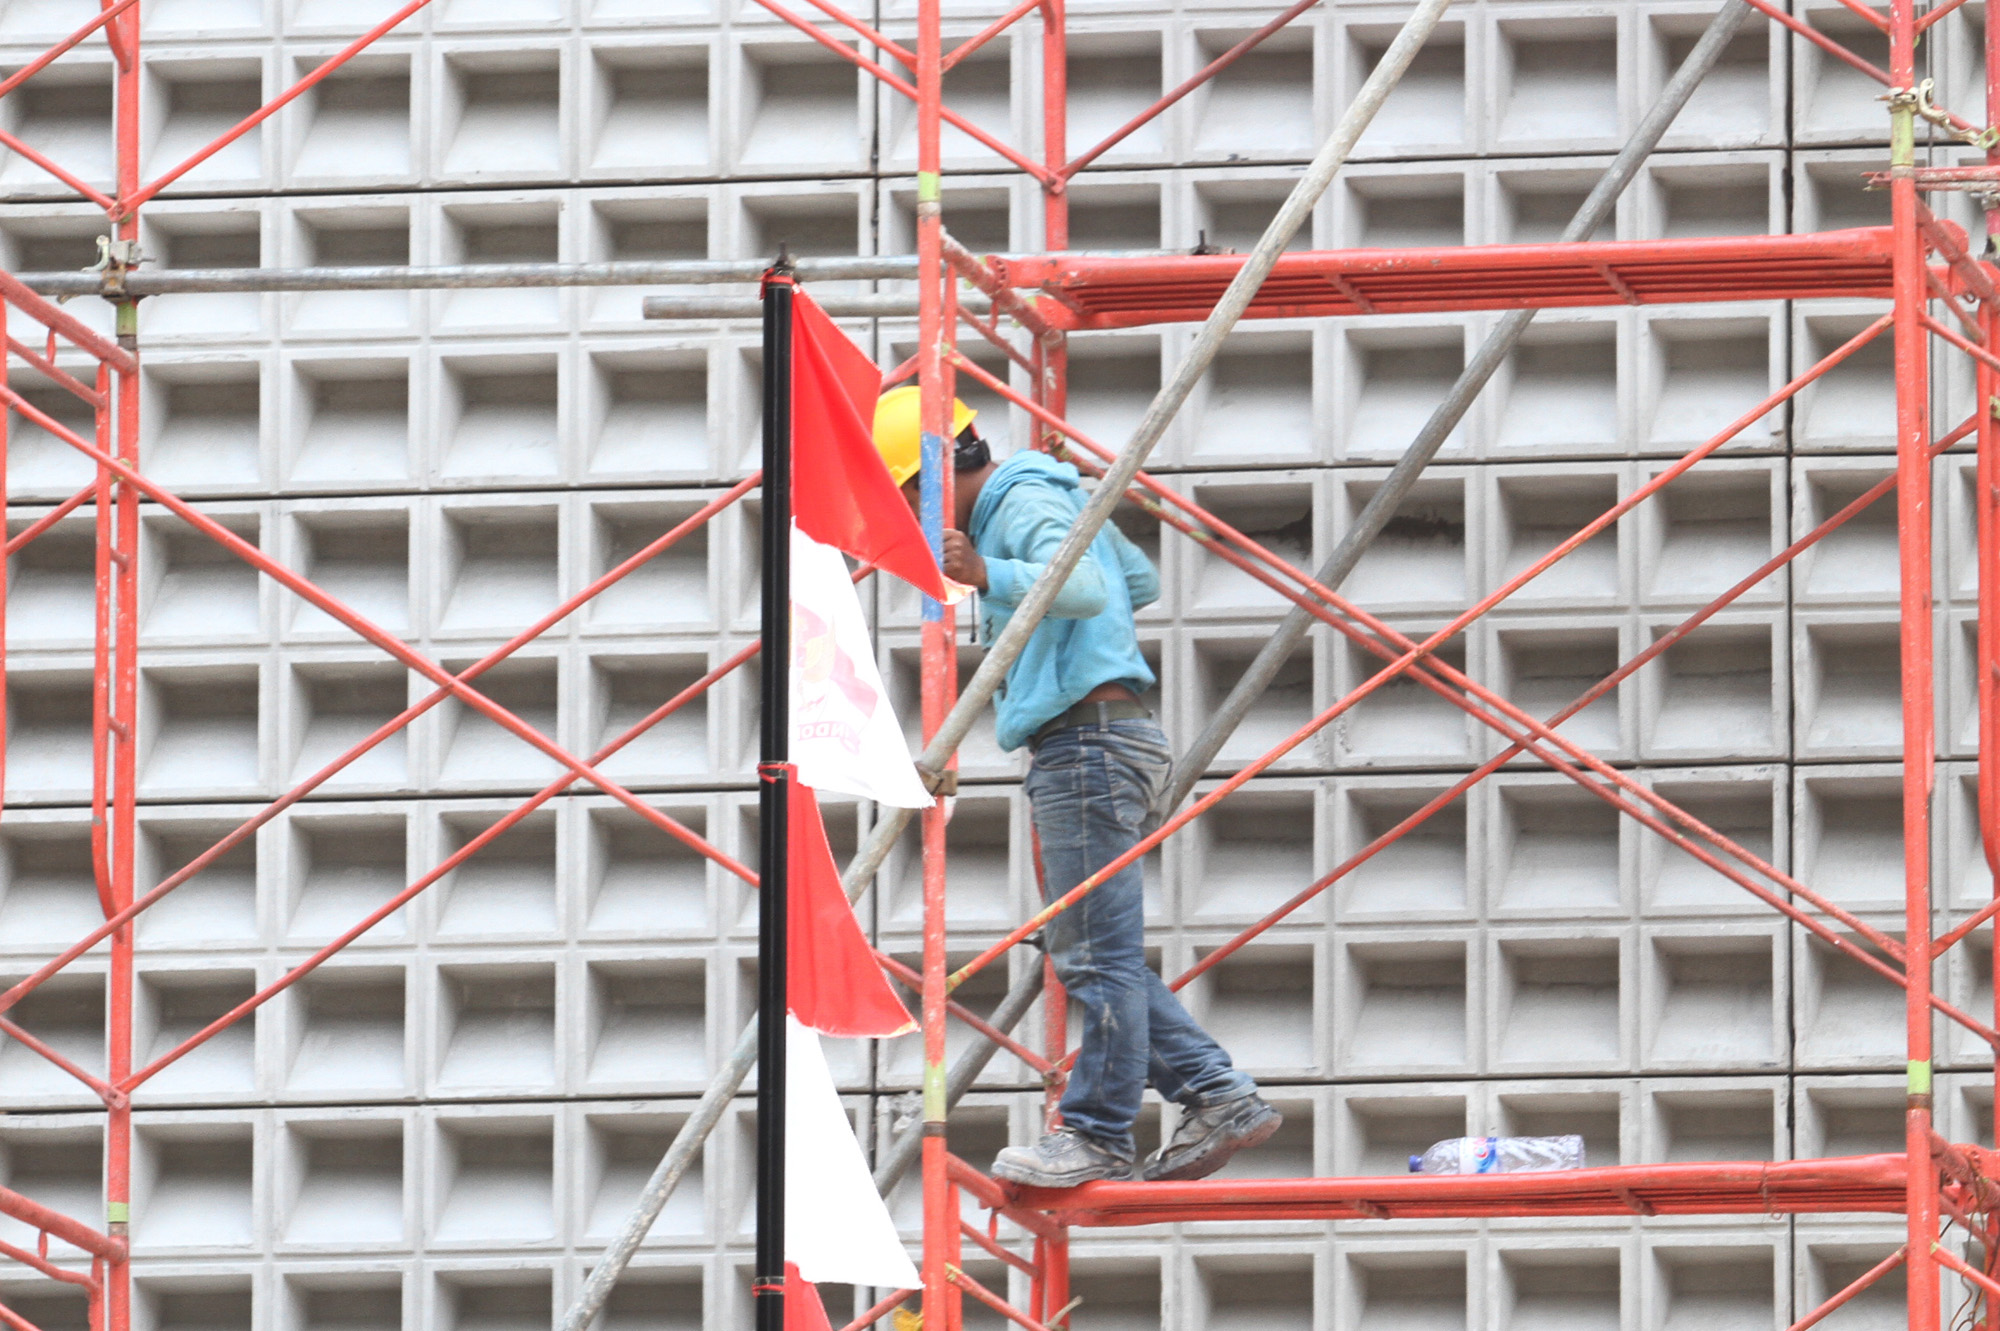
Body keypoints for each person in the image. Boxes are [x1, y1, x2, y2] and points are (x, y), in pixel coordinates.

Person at [872, 385, 1281, 1188]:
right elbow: (1132, 578)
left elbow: (1089, 590)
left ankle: (1096, 1131)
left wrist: (991, 569)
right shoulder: (1041, 490)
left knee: (1095, 957)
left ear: (928, 478)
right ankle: (1214, 1092)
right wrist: (1063, 538)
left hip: (1086, 743)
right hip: (1106, 738)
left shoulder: (1017, 503)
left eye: (901, 498)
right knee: (1097, 951)